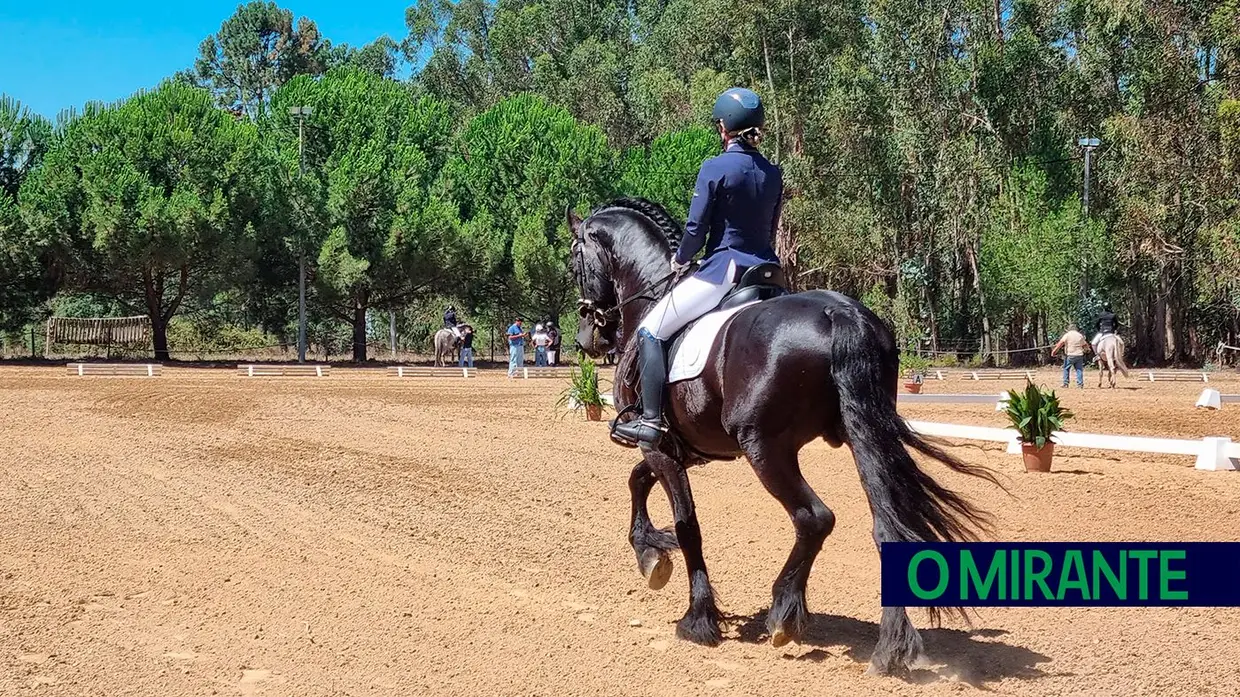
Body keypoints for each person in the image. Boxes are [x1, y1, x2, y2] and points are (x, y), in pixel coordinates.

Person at [611, 86, 783, 448]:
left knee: (650, 331)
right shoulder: (773, 172)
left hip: (726, 271)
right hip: (768, 274)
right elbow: (768, 230)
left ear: (723, 127)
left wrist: (681, 259)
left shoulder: (715, 167)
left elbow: (695, 228)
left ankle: (651, 421)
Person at [1051, 322, 1089, 389]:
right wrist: (1088, 349)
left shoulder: (1067, 335)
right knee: (1079, 370)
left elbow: (1060, 343)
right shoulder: (1080, 335)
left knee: (1066, 368)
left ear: (1069, 329)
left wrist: (1054, 351)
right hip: (1079, 355)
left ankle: (1065, 383)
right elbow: (1085, 344)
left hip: (1070, 355)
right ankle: (1080, 384)